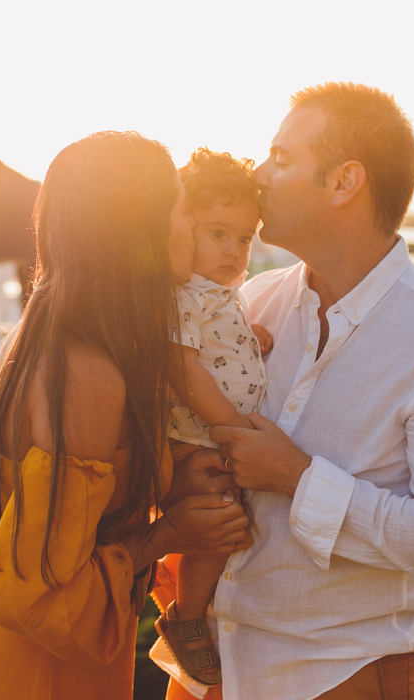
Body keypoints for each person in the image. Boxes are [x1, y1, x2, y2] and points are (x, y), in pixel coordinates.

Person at [168, 83, 414, 700]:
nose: (259, 173)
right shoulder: (251, 304)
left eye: (281, 156)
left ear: (343, 182)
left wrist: (298, 476)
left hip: (341, 674)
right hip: (210, 674)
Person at [0, 131, 252, 700]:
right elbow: (41, 593)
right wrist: (168, 534)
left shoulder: (53, 337)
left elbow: (78, 526)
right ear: (140, 231)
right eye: (180, 208)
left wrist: (175, 480)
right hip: (33, 671)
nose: (190, 224)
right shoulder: (89, 376)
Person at [153, 148, 269, 688]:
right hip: (198, 440)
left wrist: (256, 339)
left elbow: (225, 345)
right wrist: (231, 425)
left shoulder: (221, 293)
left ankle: (199, 611)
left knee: (222, 531)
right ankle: (186, 618)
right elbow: (184, 367)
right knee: (213, 532)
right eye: (218, 233)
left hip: (215, 439)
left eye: (244, 238)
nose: (233, 250)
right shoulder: (180, 296)